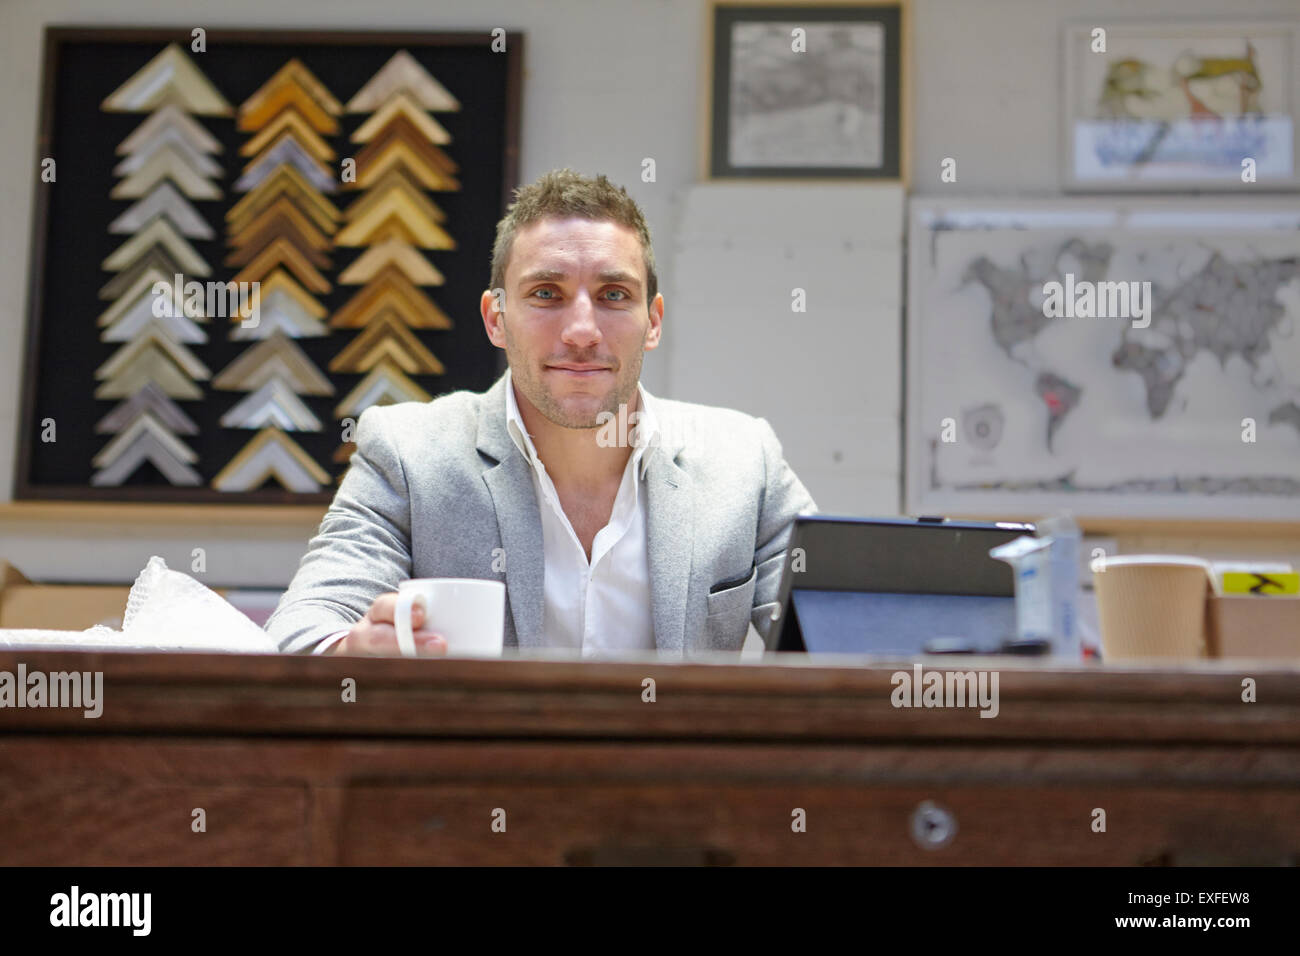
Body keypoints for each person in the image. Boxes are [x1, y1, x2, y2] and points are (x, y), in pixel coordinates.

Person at [264, 168, 816, 657]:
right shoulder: (408, 455)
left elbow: (839, 628)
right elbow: (299, 633)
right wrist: (348, 651)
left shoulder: (745, 462)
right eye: (547, 294)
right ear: (496, 318)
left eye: (614, 295)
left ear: (653, 321)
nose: (581, 332)